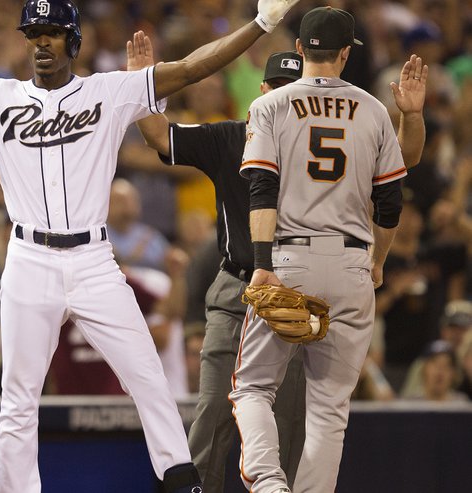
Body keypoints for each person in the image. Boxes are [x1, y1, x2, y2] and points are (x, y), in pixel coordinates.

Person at [0, 0, 303, 490]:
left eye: (53, 34)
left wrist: (259, 22)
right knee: (18, 398)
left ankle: (181, 480)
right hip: (29, 259)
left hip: (93, 260)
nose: (41, 43)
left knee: (149, 376)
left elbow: (192, 67)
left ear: (74, 41)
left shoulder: (109, 91)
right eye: (33, 35)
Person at [131, 38, 427, 491]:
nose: (289, 97)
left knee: (289, 426)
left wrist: (411, 117)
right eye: (280, 87)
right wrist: (142, 83)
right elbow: (158, 135)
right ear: (263, 90)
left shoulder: (329, 142)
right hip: (238, 290)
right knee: (212, 414)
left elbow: (401, 160)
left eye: (296, 87)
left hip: (294, 288)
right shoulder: (232, 136)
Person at [229, 7, 409, 492]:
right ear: (346, 54)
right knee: (330, 409)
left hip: (290, 258)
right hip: (351, 261)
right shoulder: (372, 109)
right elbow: (389, 203)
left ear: (299, 50)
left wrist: (263, 264)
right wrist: (376, 263)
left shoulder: (270, 105)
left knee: (252, 388)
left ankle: (269, 485)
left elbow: (261, 189)